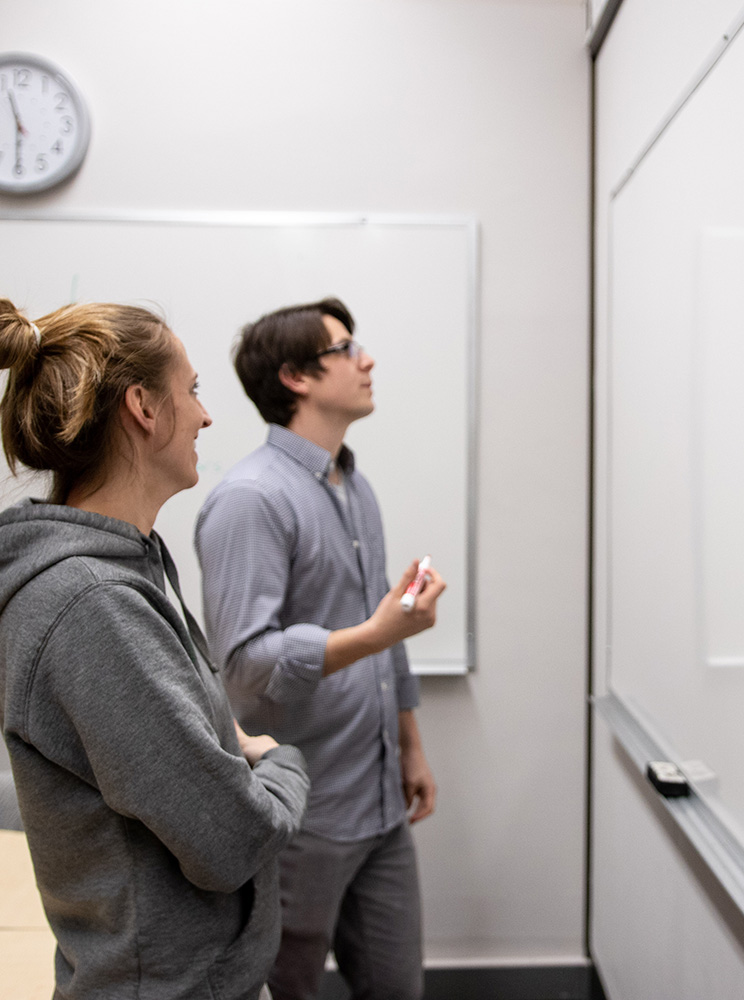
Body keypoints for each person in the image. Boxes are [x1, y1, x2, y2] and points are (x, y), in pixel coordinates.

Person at [0, 299, 311, 1000]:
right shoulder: (92, 606)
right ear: (142, 406)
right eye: (192, 390)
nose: (204, 416)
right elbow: (229, 838)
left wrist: (231, 756)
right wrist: (280, 760)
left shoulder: (127, 569)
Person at [195, 297, 445, 1000]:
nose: (366, 361)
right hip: (303, 817)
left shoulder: (353, 485)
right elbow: (245, 665)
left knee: (398, 989)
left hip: (379, 797)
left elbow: (383, 629)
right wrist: (373, 634)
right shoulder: (249, 498)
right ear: (296, 377)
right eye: (346, 348)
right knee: (285, 989)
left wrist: (410, 744)